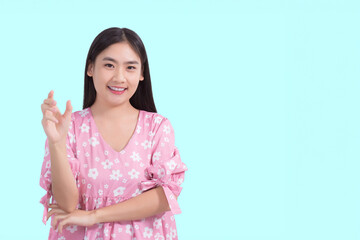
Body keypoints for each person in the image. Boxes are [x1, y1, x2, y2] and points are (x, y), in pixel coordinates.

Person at [39, 27, 188, 240]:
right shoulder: (69, 126)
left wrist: (93, 216)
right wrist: (56, 142)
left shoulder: (157, 127)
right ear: (90, 68)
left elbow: (165, 197)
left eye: (130, 67)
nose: (119, 77)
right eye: (109, 65)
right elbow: (67, 204)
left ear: (142, 73)